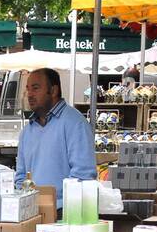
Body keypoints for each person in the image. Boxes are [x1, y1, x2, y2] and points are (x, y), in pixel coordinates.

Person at [14, 67, 96, 196]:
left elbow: (83, 175)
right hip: (32, 210)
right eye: (28, 89)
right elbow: (21, 177)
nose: (29, 94)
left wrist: (58, 205)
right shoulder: (27, 131)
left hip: (64, 210)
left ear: (53, 90)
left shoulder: (74, 123)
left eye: (35, 88)